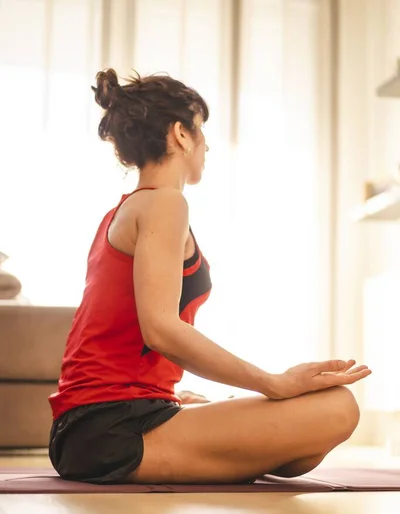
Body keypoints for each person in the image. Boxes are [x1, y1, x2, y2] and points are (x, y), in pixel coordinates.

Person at [48, 68, 371, 485]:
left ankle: (199, 428)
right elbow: (160, 330)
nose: (207, 144)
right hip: (108, 428)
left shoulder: (128, 210)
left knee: (304, 448)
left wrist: (171, 398)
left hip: (105, 422)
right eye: (201, 129)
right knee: (338, 409)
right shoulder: (164, 204)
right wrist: (273, 383)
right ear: (181, 134)